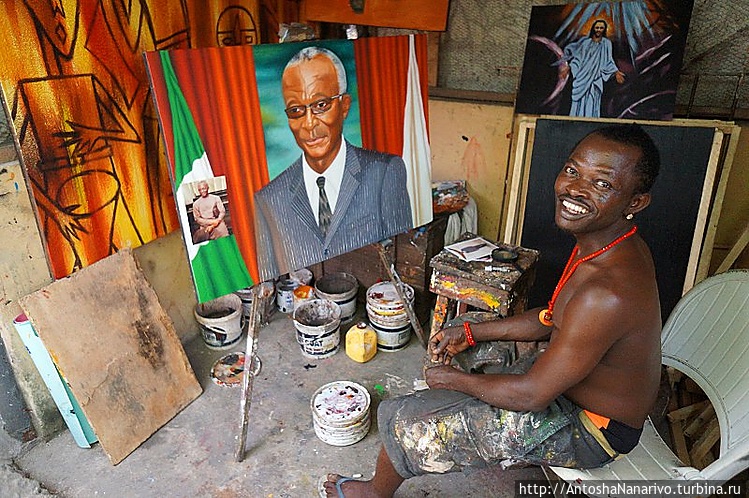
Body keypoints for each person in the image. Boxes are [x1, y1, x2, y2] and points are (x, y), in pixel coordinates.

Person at [321, 123, 662, 497]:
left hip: (591, 427)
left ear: (635, 202)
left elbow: (532, 395)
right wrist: (469, 333)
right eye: (572, 170)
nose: (575, 189)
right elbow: (551, 317)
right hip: (566, 381)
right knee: (469, 326)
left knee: (411, 422)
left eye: (602, 184)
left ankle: (376, 492)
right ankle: (478, 410)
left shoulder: (606, 292)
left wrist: (453, 381)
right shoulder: (607, 244)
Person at [253, 46, 412, 282]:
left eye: (321, 105)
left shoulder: (384, 173)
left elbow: (405, 259)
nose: (309, 123)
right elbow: (268, 280)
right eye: (296, 110)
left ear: (344, 106)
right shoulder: (269, 199)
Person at [562, 19, 626, 117]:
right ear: (593, 29)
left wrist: (616, 72)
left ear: (604, 30)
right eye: (597, 27)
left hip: (595, 79)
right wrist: (569, 68)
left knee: (592, 101)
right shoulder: (586, 43)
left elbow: (608, 60)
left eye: (601, 28)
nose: (599, 30)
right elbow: (578, 59)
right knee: (578, 104)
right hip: (582, 77)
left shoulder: (606, 43)